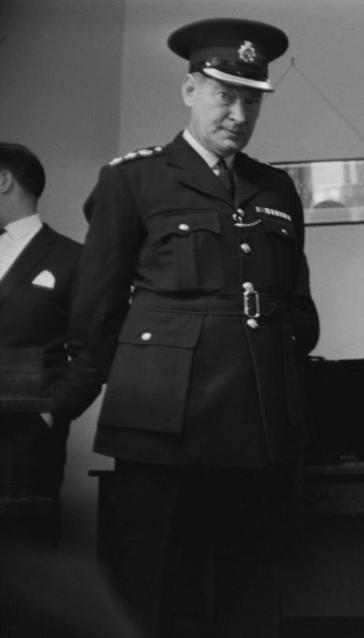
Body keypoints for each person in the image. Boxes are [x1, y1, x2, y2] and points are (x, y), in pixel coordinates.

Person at [51, 18, 319, 638]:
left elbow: (297, 306)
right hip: (161, 428)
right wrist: (83, 395)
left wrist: (280, 360)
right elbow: (94, 311)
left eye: (251, 99)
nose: (239, 113)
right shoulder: (133, 179)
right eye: (226, 94)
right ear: (190, 89)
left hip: (258, 423)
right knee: (154, 589)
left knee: (248, 591)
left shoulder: (275, 188)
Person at [0, 143, 84, 547]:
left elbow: (94, 351)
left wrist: (50, 414)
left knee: (29, 560)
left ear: (3, 180)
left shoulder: (73, 259)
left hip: (27, 440)